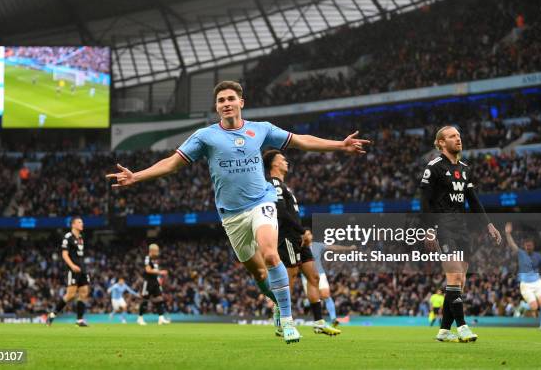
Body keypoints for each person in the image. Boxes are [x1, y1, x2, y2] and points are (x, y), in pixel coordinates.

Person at [107, 80, 369, 344]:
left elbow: (301, 140)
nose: (226, 104)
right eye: (221, 100)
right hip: (231, 215)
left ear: (241, 102)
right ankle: (276, 302)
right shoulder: (205, 136)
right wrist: (136, 176)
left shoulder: (261, 130)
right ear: (217, 107)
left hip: (261, 202)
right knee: (258, 274)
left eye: (231, 98)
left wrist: (339, 145)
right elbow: (172, 163)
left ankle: (289, 322)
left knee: (270, 253)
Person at [420, 126, 501, 342]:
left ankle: (444, 330)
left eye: (458, 135)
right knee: (454, 275)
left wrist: (489, 225)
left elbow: (473, 200)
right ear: (440, 143)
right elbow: (425, 201)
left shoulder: (465, 169)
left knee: (460, 281)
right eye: (452, 136)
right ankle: (462, 327)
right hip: (442, 227)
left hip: (462, 228)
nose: (458, 138)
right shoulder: (434, 167)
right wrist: (429, 229)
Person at [263, 149, 340, 336]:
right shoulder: (273, 184)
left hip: (299, 238)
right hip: (287, 237)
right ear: (274, 164)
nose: (286, 161)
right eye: (282, 159)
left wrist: (303, 233)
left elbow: (292, 214)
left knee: (313, 277)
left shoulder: (285, 186)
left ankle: (319, 323)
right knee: (288, 280)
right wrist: (302, 231)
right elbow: (281, 213)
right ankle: (280, 320)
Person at [504, 223, 541, 331]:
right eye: (527, 245)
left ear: (533, 246)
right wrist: (507, 234)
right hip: (525, 284)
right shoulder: (520, 253)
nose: (528, 247)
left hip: (537, 282)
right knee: (534, 307)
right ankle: (523, 305)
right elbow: (512, 244)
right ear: (524, 246)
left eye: (530, 245)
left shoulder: (538, 255)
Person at [47, 216, 90, 327]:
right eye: (80, 222)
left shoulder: (80, 238)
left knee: (84, 292)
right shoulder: (68, 237)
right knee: (70, 295)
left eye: (82, 222)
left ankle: (79, 320)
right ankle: (53, 314)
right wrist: (72, 266)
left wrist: (82, 267)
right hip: (73, 269)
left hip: (82, 269)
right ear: (73, 225)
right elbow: (64, 254)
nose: (82, 224)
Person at [138, 244, 171, 326]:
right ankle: (140, 318)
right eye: (156, 251)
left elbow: (154, 271)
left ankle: (161, 318)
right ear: (151, 251)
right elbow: (148, 270)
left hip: (155, 282)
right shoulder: (147, 258)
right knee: (145, 300)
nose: (157, 252)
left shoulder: (155, 260)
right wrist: (160, 272)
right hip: (148, 282)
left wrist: (159, 278)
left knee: (159, 299)